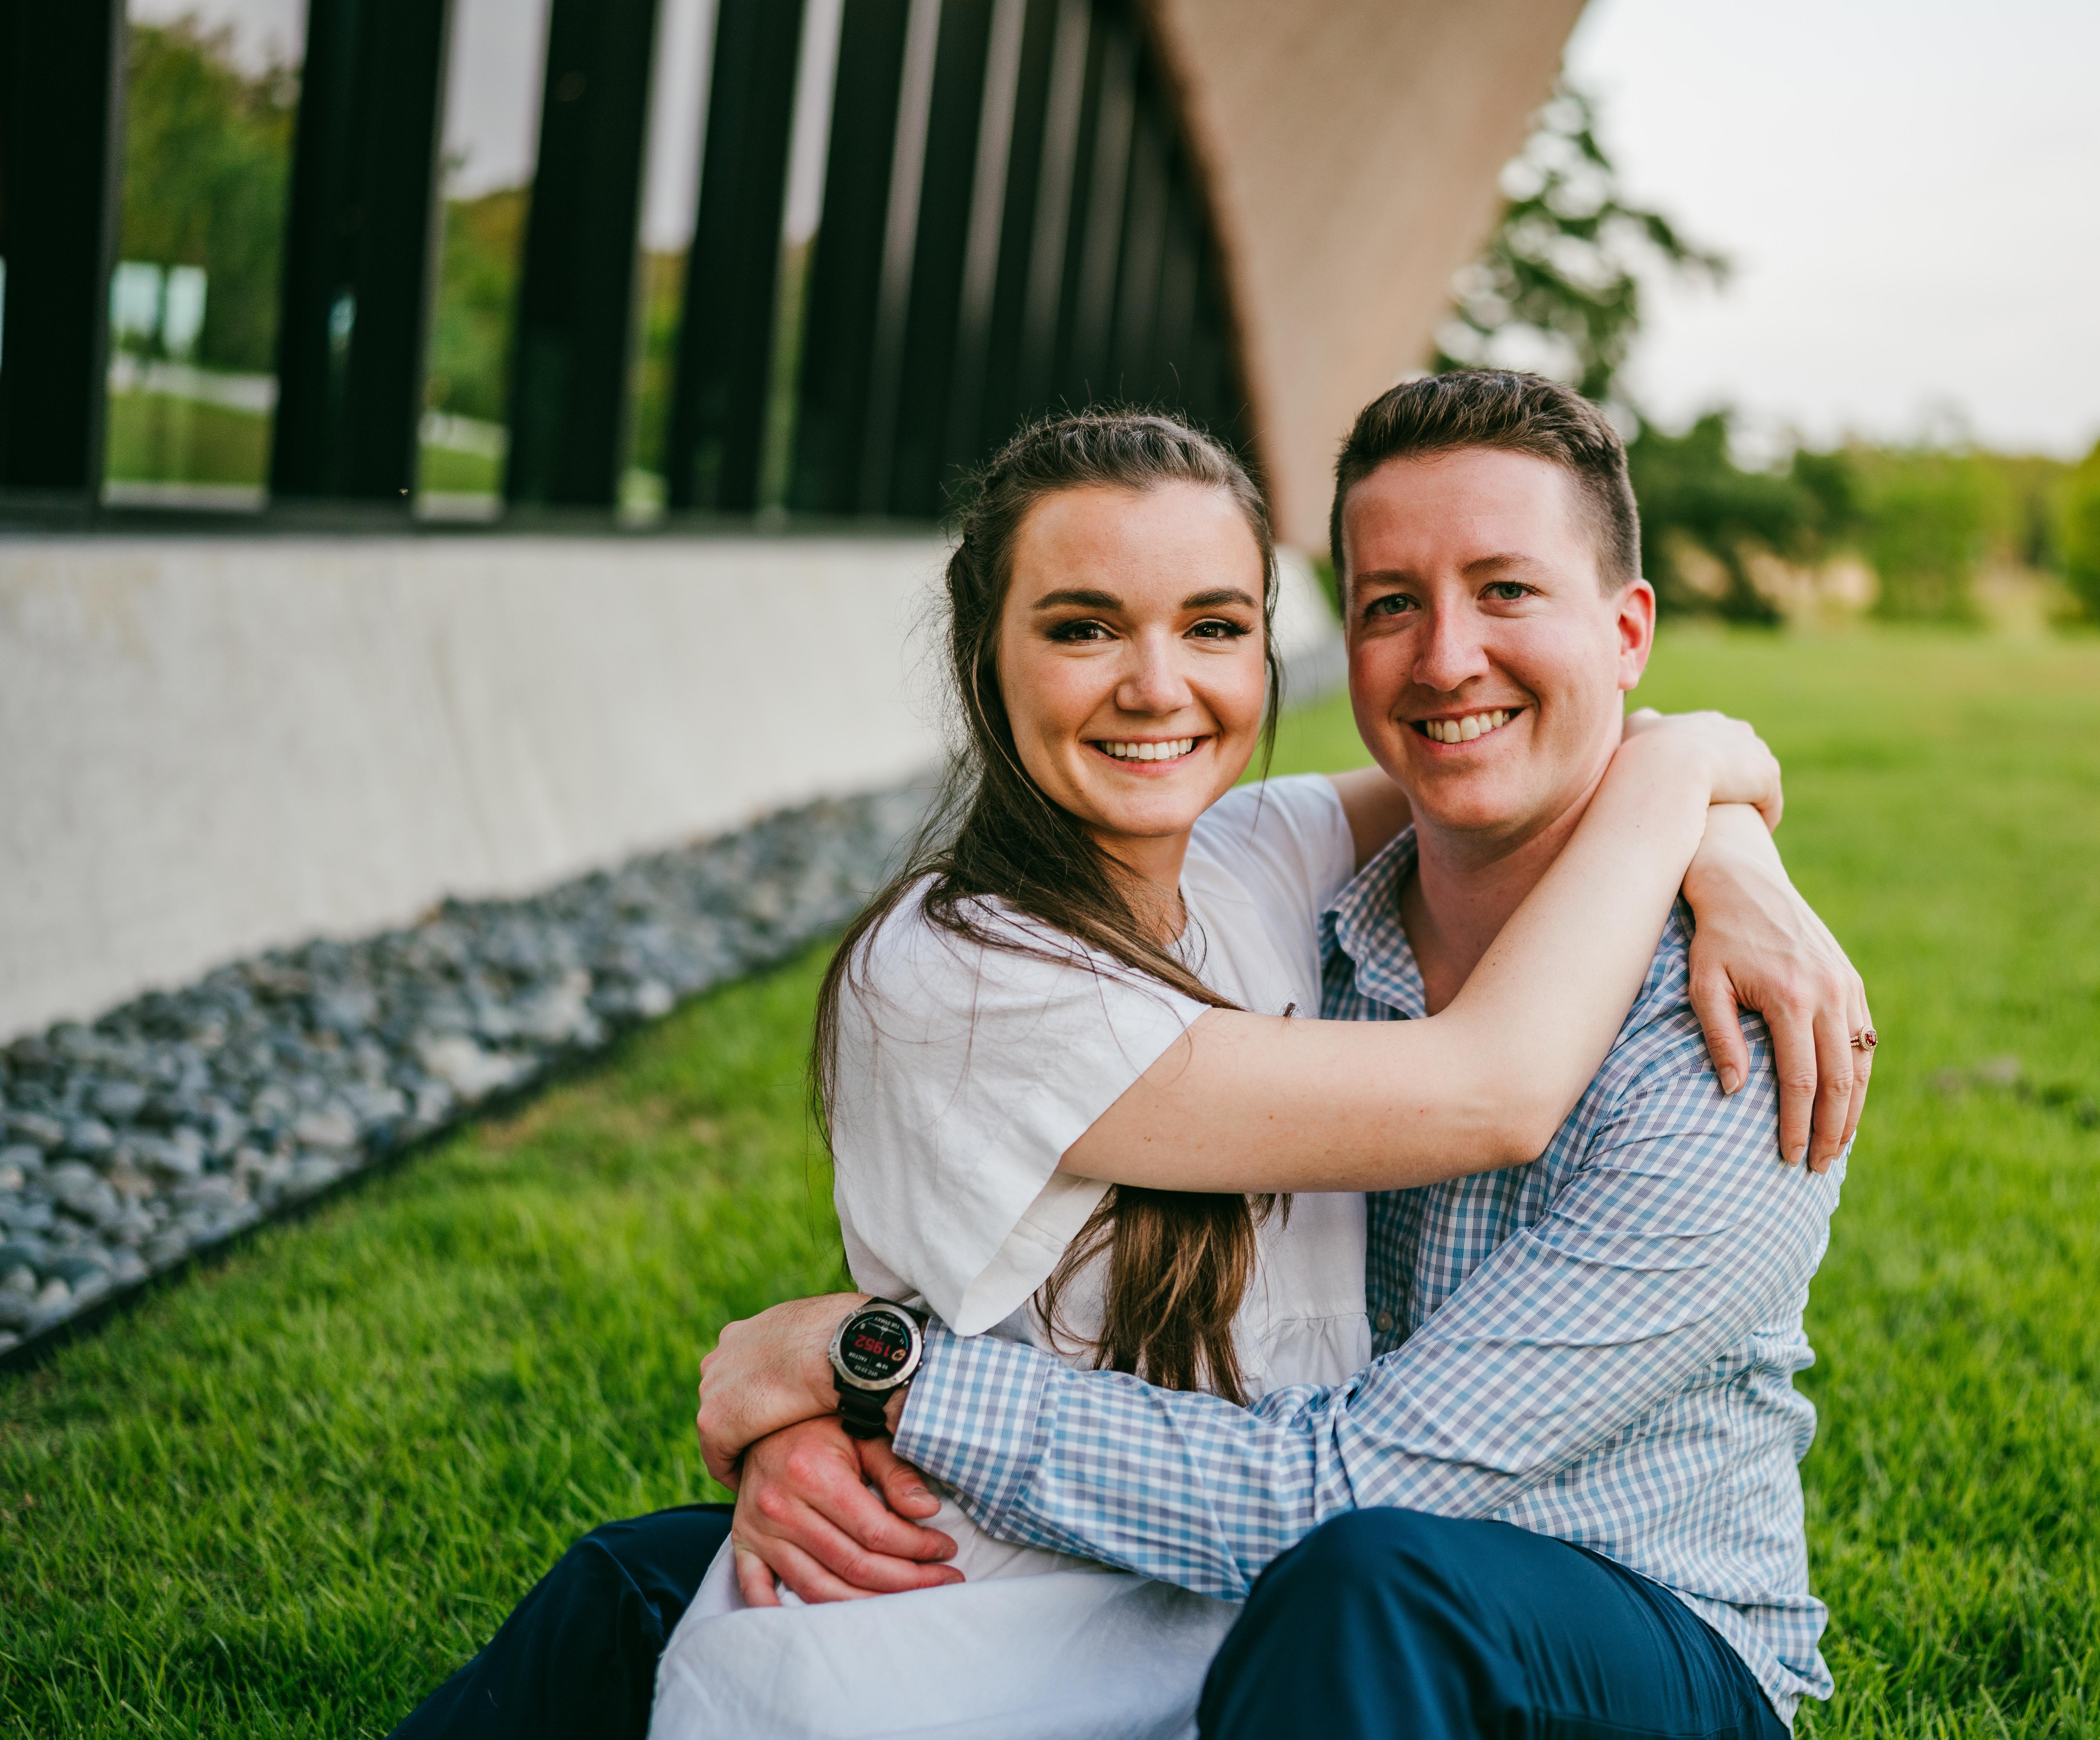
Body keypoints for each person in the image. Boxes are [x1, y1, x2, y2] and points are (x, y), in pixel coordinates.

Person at [391, 397, 1866, 1740]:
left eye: (1508, 592)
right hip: (1248, 1573)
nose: (1443, 658)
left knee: (1370, 1586)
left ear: (1627, 629)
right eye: (1390, 605)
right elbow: (1490, 865)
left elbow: (1358, 1477)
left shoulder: (1727, 1027)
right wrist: (1692, 783)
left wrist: (883, 1377)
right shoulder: (1166, 925)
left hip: (1618, 1626)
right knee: (663, 1588)